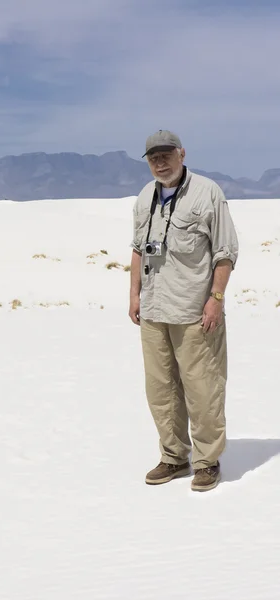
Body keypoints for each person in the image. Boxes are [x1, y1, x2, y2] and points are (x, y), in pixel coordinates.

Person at [129, 129, 239, 492]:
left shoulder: (208, 193)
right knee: (160, 388)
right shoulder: (145, 196)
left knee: (202, 387)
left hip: (195, 311)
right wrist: (134, 295)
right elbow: (137, 249)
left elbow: (225, 252)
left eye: (166, 155)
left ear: (181, 154)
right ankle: (173, 456)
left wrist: (216, 299)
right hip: (155, 309)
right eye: (153, 158)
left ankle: (207, 461)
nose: (160, 163)